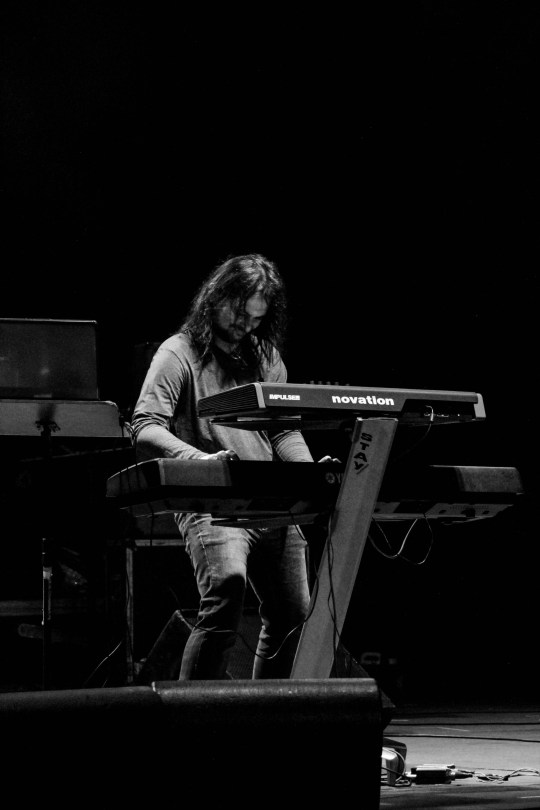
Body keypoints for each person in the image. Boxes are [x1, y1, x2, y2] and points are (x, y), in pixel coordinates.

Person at [130, 253, 336, 680]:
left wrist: (309, 473)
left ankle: (265, 712)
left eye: (256, 319)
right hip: (212, 502)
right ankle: (194, 714)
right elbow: (145, 426)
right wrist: (200, 461)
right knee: (226, 596)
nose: (246, 326)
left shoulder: (265, 356)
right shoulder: (178, 352)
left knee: (293, 613)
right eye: (240, 314)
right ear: (216, 297)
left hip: (272, 502)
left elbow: (283, 431)